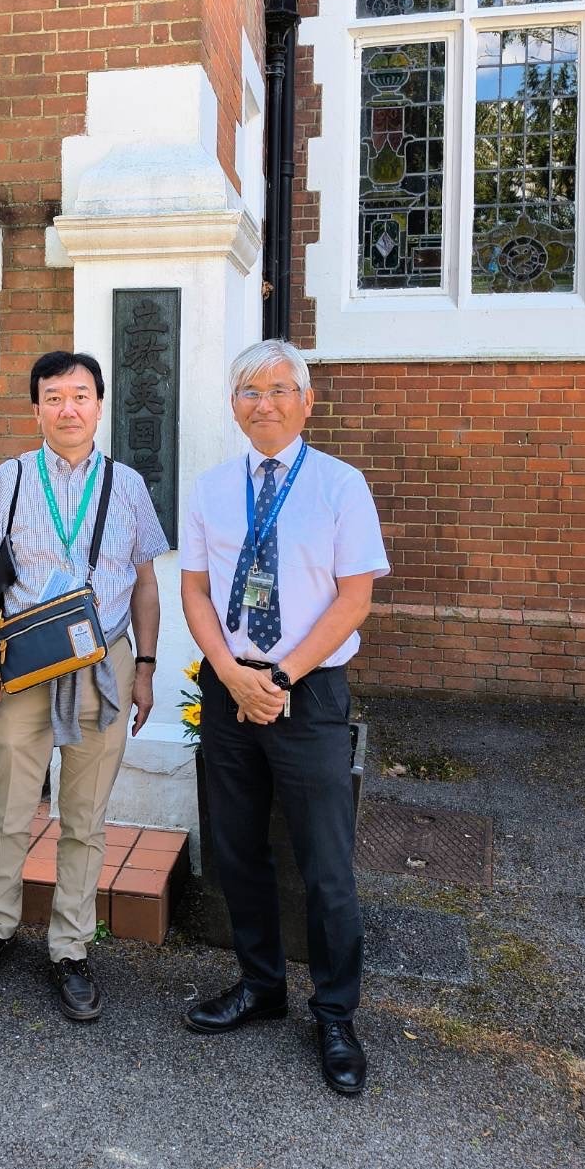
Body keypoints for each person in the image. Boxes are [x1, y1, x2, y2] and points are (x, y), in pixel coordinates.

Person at [179, 338, 389, 1097]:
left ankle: (335, 1014)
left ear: (306, 402)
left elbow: (355, 599)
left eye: (277, 390)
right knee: (236, 850)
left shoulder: (340, 485)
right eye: (248, 391)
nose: (262, 403)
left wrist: (280, 675)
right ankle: (261, 985)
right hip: (229, 687)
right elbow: (195, 590)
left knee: (326, 864)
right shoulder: (209, 488)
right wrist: (231, 673)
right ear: (233, 405)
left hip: (309, 690)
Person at [0, 350, 168, 1021]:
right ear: (36, 408)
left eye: (80, 395)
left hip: (105, 665)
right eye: (53, 396)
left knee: (85, 816)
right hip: (22, 667)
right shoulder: (11, 478)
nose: (67, 408)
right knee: (10, 806)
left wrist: (146, 666)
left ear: (99, 405)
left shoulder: (128, 484)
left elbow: (146, 583)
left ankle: (71, 947)